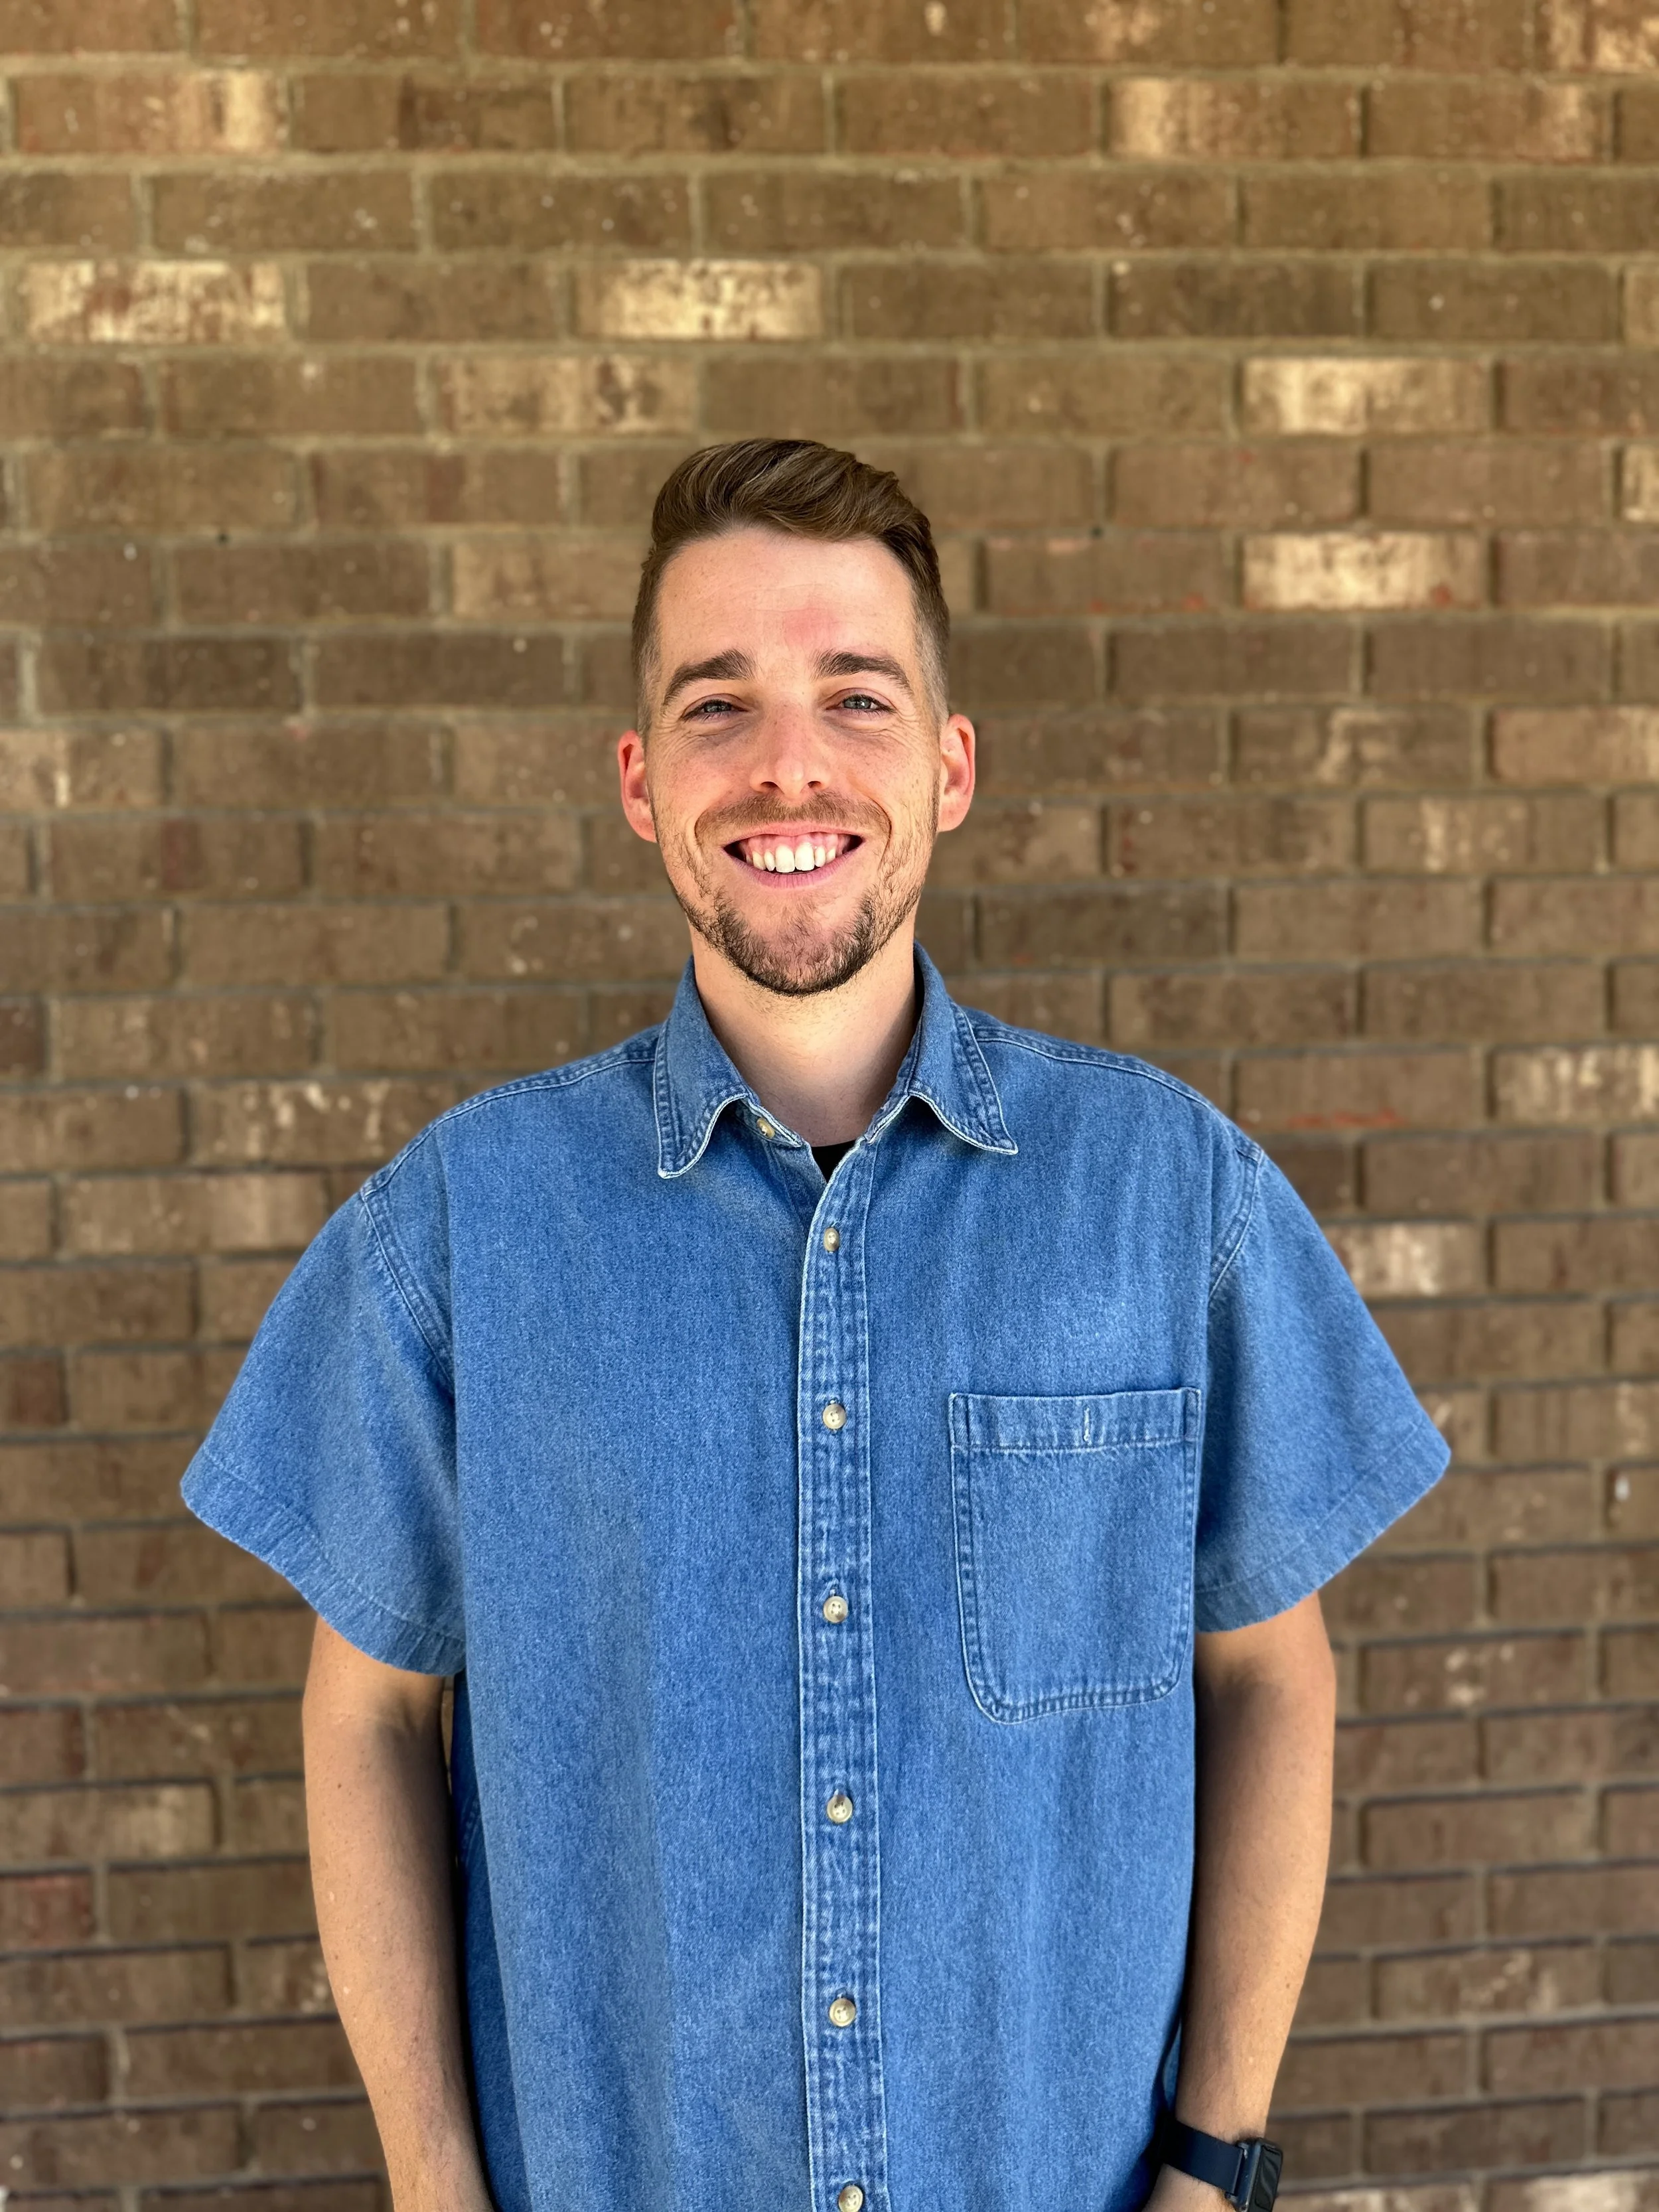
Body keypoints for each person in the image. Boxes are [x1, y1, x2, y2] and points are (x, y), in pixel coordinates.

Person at [181, 438, 1449, 2212]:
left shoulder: (1171, 1198)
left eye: (857, 696)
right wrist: (433, 2186)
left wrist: (1210, 2162)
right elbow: (368, 1717)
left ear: (949, 765)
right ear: (639, 779)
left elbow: (1270, 1672)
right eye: (719, 704)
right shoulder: (460, 1230)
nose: (790, 762)